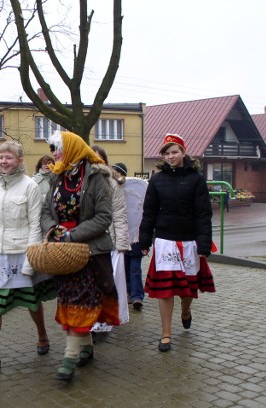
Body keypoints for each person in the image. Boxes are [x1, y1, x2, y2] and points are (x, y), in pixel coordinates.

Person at [0, 140, 55, 377]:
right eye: (1, 157)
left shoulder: (30, 186)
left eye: (9, 157)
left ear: (19, 160)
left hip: (21, 254)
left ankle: (42, 335)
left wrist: (30, 261)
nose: (4, 161)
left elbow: (34, 226)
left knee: (31, 301)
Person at [41, 131, 118, 381]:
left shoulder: (96, 178)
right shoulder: (57, 176)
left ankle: (68, 358)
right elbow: (45, 212)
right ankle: (86, 348)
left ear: (72, 148)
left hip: (88, 252)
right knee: (69, 302)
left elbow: (104, 217)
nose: (54, 154)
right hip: (63, 253)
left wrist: (73, 235)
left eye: (58, 148)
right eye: (53, 149)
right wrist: (54, 229)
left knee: (81, 303)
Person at [138, 133, 216, 352]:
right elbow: (149, 212)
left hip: (189, 241)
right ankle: (166, 334)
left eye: (175, 152)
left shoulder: (196, 179)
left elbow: (203, 214)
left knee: (186, 290)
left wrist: (204, 244)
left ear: (183, 153)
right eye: (167, 153)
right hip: (165, 241)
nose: (171, 156)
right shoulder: (157, 179)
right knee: (165, 290)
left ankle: (185, 311)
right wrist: (144, 240)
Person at [89, 147, 130, 334]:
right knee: (90, 283)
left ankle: (104, 320)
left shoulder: (113, 183)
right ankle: (90, 320)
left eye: (100, 158)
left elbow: (120, 214)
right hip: (88, 240)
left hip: (110, 241)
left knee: (108, 283)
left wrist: (121, 244)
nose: (96, 161)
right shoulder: (83, 179)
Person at [119, 164, 149, 311]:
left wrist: (146, 240)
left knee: (135, 267)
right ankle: (129, 292)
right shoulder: (114, 190)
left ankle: (137, 296)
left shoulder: (137, 187)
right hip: (122, 236)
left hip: (137, 236)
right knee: (124, 266)